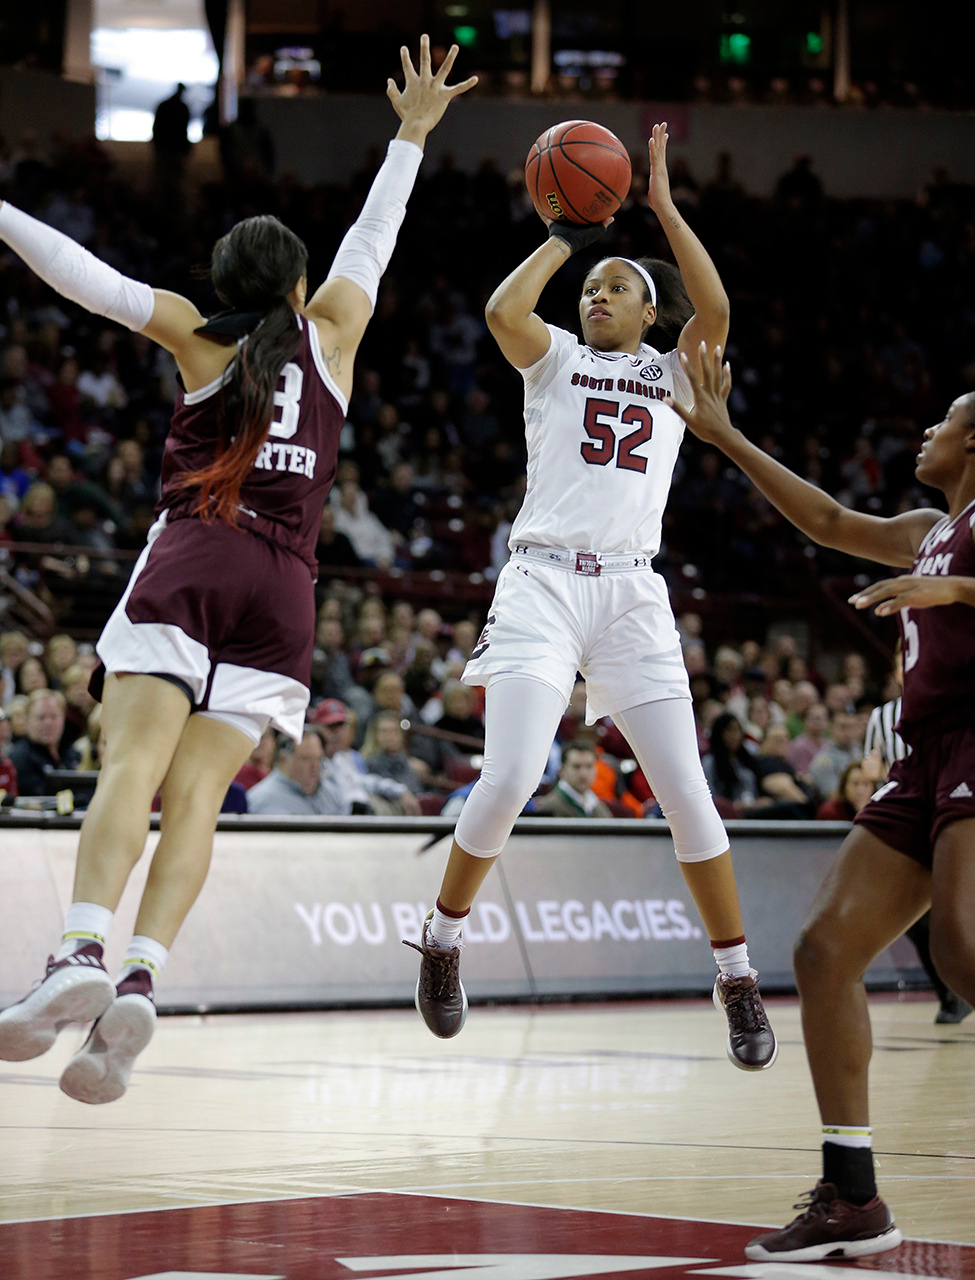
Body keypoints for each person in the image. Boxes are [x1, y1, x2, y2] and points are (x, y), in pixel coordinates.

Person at [0, 37, 476, 1103]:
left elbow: (91, 281)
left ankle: (78, 952)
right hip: (287, 592)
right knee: (201, 794)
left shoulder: (199, 342)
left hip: (199, 553)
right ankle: (142, 978)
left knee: (130, 766)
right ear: (301, 283)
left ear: (222, 283)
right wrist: (410, 133)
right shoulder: (337, 333)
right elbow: (374, 240)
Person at [404, 122, 777, 1075]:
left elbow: (719, 307)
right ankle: (443, 941)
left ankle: (734, 976)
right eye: (590, 291)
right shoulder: (557, 359)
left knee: (687, 796)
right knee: (513, 774)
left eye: (617, 288)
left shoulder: (672, 373)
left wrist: (658, 206)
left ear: (651, 314)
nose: (597, 296)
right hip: (539, 579)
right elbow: (502, 308)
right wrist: (569, 233)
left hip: (630, 593)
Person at [667, 340, 975, 1260]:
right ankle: (852, 1197)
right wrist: (722, 436)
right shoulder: (928, 521)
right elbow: (830, 519)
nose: (927, 430)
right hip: (920, 754)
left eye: (946, 422)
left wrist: (956, 587)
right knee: (822, 949)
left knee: (961, 946)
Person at [246, 727, 346, 815]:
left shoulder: (330, 792)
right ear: (284, 759)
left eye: (318, 759)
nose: (315, 766)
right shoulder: (263, 799)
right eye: (306, 759)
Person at [7, 688, 80, 795]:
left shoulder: (72, 754)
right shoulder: (18, 758)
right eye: (41, 718)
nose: (48, 723)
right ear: (27, 720)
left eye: (54, 717)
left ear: (63, 719)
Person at [534, 740, 614, 818]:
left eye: (589, 766)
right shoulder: (549, 808)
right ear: (562, 770)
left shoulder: (599, 807)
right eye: (576, 767)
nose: (583, 773)